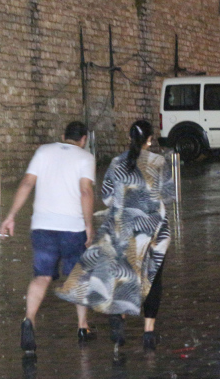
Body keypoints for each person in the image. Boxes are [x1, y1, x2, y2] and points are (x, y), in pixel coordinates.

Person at [56, 120, 173, 350]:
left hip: (123, 229)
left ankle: (119, 318)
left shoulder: (117, 162)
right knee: (153, 279)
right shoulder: (158, 162)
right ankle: (149, 332)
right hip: (153, 230)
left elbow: (108, 197)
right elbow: (168, 195)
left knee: (124, 276)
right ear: (150, 140)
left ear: (130, 138)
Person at [0, 121, 96, 353]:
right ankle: (82, 326)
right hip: (72, 228)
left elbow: (27, 183)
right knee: (77, 277)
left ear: (63, 136)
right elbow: (85, 191)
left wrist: (11, 216)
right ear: (84, 139)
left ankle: (29, 319)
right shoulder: (85, 157)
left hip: (42, 227)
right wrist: (89, 224)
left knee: (41, 276)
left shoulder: (43, 151)